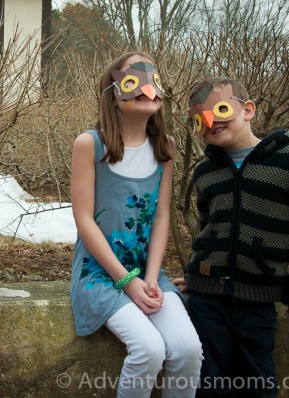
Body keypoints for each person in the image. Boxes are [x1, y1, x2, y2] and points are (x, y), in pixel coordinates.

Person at [182, 77, 289, 397]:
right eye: (200, 120)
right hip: (208, 298)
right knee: (209, 378)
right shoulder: (205, 171)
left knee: (256, 379)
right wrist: (195, 274)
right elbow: (208, 227)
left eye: (220, 109)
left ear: (247, 109)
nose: (211, 123)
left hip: (258, 297)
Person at [69, 52, 203, 398]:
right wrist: (126, 281)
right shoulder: (90, 144)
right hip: (100, 274)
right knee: (149, 349)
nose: (146, 86)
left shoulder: (166, 148)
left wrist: (148, 276)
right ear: (113, 92)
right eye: (133, 79)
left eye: (152, 78)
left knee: (188, 350)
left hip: (147, 272)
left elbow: (161, 216)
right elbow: (84, 219)